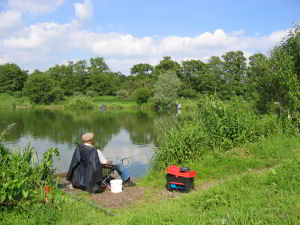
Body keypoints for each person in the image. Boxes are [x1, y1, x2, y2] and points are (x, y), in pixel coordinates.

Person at [67, 132, 135, 191]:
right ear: (91, 140)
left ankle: (112, 178)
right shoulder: (95, 151)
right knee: (118, 164)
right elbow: (105, 163)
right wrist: (111, 162)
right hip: (96, 174)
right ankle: (127, 181)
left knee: (113, 163)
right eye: (93, 138)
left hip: (84, 174)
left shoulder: (79, 149)